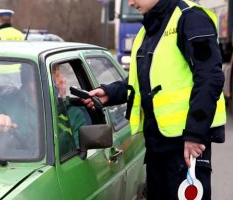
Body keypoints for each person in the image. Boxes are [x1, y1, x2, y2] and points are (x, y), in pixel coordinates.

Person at [83, 0, 226, 199]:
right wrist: (111, 93)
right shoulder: (150, 29)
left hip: (185, 148)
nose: (131, 3)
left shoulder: (190, 19)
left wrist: (195, 134)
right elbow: (144, 82)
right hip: (157, 147)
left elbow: (210, 77)